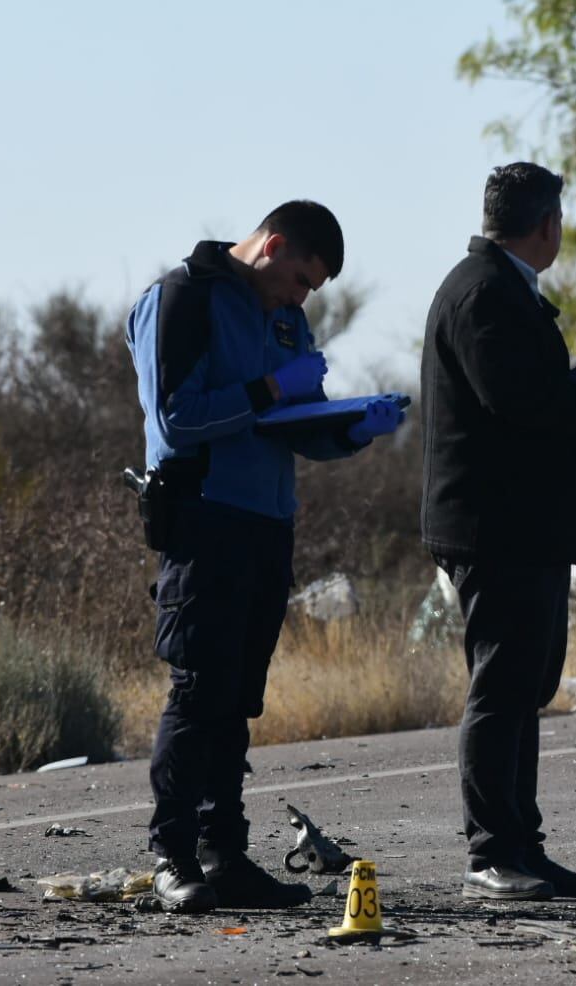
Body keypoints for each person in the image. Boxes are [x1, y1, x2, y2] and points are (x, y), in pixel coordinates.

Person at [126, 200, 404, 913]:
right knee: (198, 693)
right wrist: (272, 388)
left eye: (310, 290)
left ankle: (226, 856)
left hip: (266, 523)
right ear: (272, 245)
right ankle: (173, 858)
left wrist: (351, 428)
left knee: (235, 703)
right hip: (204, 519)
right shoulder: (182, 297)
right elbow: (178, 420)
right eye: (300, 280)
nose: (301, 299)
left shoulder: (284, 318)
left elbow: (289, 426)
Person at [420, 162, 576, 901]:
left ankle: (522, 847)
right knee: (501, 687)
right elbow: (519, 406)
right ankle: (490, 854)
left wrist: (568, 390)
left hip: (521, 526)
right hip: (493, 528)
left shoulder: (499, 289)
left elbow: (521, 400)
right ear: (546, 225)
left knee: (524, 684)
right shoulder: (484, 294)